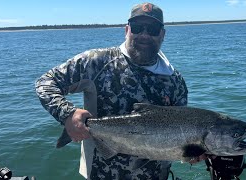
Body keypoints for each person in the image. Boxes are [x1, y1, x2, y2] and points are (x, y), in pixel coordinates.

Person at [35, 2, 188, 180]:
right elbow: (46, 82)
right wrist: (67, 114)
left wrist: (192, 152)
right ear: (127, 30)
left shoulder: (175, 81)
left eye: (152, 29)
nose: (144, 35)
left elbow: (181, 134)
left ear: (162, 34)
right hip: (101, 175)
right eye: (138, 27)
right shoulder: (96, 62)